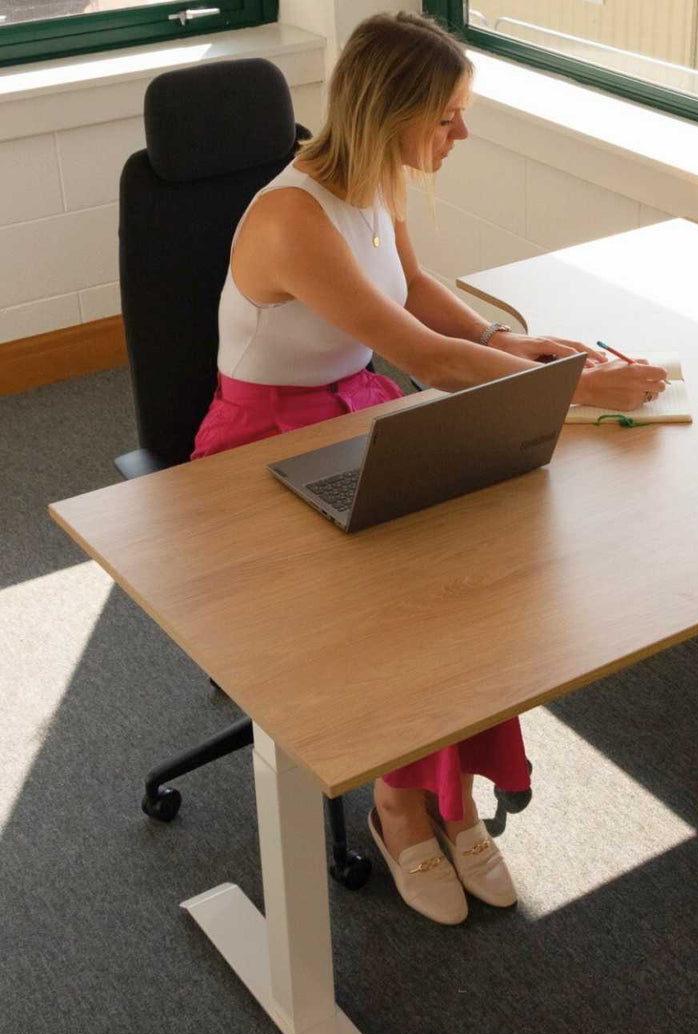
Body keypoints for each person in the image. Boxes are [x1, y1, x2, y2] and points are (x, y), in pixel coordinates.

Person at [191, 10, 669, 925]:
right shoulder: (293, 216)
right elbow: (423, 354)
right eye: (448, 116)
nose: (461, 134)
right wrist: (579, 387)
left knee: (467, 574)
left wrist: (505, 339)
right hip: (259, 445)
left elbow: (412, 292)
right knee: (396, 603)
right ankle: (403, 803)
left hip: (350, 410)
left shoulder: (374, 181)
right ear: (394, 109)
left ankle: (450, 797)